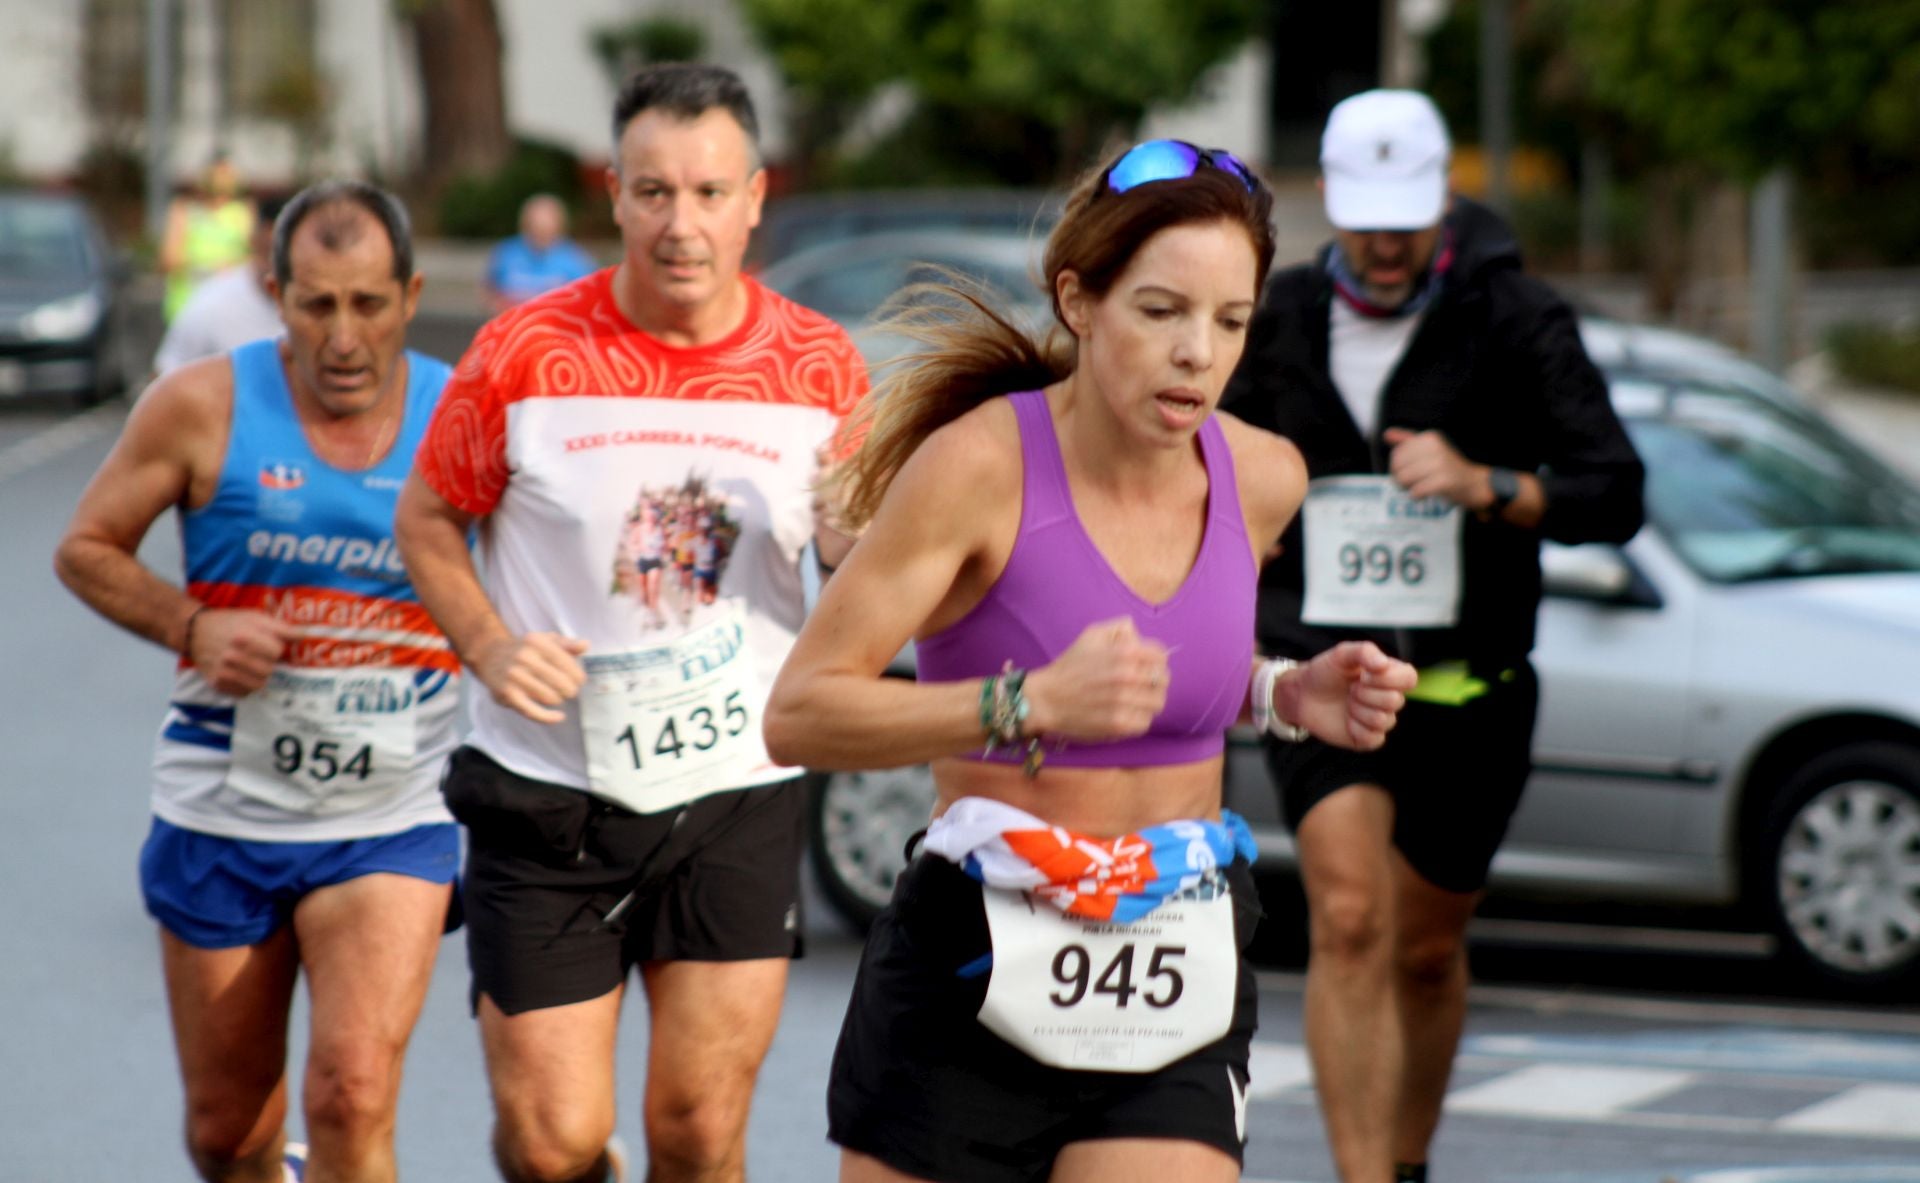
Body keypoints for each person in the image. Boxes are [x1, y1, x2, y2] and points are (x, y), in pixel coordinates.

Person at [762, 138, 1418, 1183]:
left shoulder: (1262, 477)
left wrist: (1282, 692)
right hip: (978, 952)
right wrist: (1025, 702)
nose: (1198, 353)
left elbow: (1169, 669)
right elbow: (800, 712)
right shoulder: (975, 467)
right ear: (1079, 300)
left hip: (1173, 956)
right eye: (1161, 312)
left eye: (1230, 321)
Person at [393, 63, 867, 1183]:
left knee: (701, 1133)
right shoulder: (523, 352)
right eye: (653, 191)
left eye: (709, 193)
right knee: (553, 1142)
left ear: (756, 196)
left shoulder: (822, 367)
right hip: (549, 790)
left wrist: (856, 537)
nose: (680, 223)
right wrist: (492, 645)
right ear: (613, 194)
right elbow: (425, 518)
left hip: (735, 787)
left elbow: (861, 563)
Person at [1220, 90, 1646, 1183]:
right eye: (1365, 214)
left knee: (1421, 947)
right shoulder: (1279, 316)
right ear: (1327, 198)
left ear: (1445, 196)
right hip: (1320, 669)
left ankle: (1406, 1162)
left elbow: (1616, 491)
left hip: (1471, 686)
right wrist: (1238, 530)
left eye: (1406, 213)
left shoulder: (1517, 319)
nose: (1387, 240)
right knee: (1350, 917)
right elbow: (1195, 450)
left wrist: (1486, 484)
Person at [53, 180, 461, 1183]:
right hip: (223, 804)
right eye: (316, 304)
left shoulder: (463, 413)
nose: (344, 335)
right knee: (226, 1131)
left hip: (394, 807)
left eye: (368, 303)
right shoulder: (199, 405)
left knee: (352, 1091)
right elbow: (86, 547)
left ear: (409, 296)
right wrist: (192, 622)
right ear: (274, 295)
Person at [152, 194, 289, 376]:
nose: (275, 269)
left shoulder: (324, 308)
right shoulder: (209, 305)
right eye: (269, 253)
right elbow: (164, 376)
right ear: (254, 240)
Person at [161, 152, 258, 323]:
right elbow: (168, 260)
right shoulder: (184, 211)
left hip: (230, 309)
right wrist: (208, 268)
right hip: (187, 307)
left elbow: (256, 257)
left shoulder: (244, 212)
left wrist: (231, 267)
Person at [484, 193, 598, 311]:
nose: (540, 238)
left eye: (545, 232)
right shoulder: (507, 252)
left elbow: (588, 300)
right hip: (513, 323)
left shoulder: (576, 259)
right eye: (534, 230)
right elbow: (490, 290)